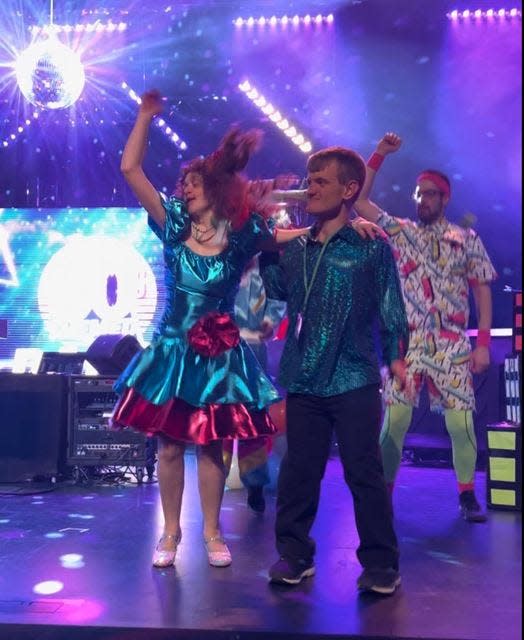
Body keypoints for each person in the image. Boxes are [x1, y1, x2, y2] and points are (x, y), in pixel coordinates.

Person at [112, 89, 306, 569]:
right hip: (175, 352)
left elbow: (295, 235)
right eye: (185, 183)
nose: (186, 188)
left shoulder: (242, 236)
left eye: (195, 182)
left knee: (216, 444)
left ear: (217, 189)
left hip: (221, 355)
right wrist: (144, 116)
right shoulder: (173, 224)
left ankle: (214, 531)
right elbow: (131, 171)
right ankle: (171, 534)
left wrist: (344, 224)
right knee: (171, 444)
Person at [260, 146, 409, 595]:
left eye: (321, 180)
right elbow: (276, 290)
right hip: (305, 374)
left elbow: (392, 309)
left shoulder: (369, 245)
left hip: (354, 376)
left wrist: (397, 357)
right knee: (298, 471)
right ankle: (295, 555)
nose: (310, 188)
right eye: (309, 178)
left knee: (363, 471)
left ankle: (382, 563)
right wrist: (267, 238)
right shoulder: (299, 247)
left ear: (349, 190)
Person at [354, 133, 497, 523]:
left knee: (461, 421)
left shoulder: (465, 239)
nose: (423, 199)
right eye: (419, 193)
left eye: (431, 193)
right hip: (409, 341)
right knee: (394, 421)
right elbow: (360, 203)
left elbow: (482, 291)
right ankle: (383, 493)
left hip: (452, 344)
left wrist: (482, 342)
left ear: (445, 198)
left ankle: (467, 493)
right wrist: (379, 155)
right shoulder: (401, 232)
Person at [223, 255, 287, 513]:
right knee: (221, 420)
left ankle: (256, 485)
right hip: (221, 347)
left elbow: (278, 298)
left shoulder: (266, 268)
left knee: (253, 420)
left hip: (253, 348)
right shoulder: (224, 262)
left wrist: (270, 322)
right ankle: (217, 476)